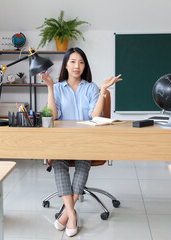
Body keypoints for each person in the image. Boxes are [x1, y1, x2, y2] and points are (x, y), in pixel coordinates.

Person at [39, 47, 121, 237]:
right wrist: (50, 88)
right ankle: (72, 214)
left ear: (85, 66)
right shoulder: (58, 88)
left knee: (83, 162)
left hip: (86, 141)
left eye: (81, 62)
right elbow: (53, 116)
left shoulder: (91, 88)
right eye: (73, 62)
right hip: (63, 142)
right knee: (59, 162)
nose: (77, 66)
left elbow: (95, 115)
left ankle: (66, 214)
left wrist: (102, 91)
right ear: (66, 65)